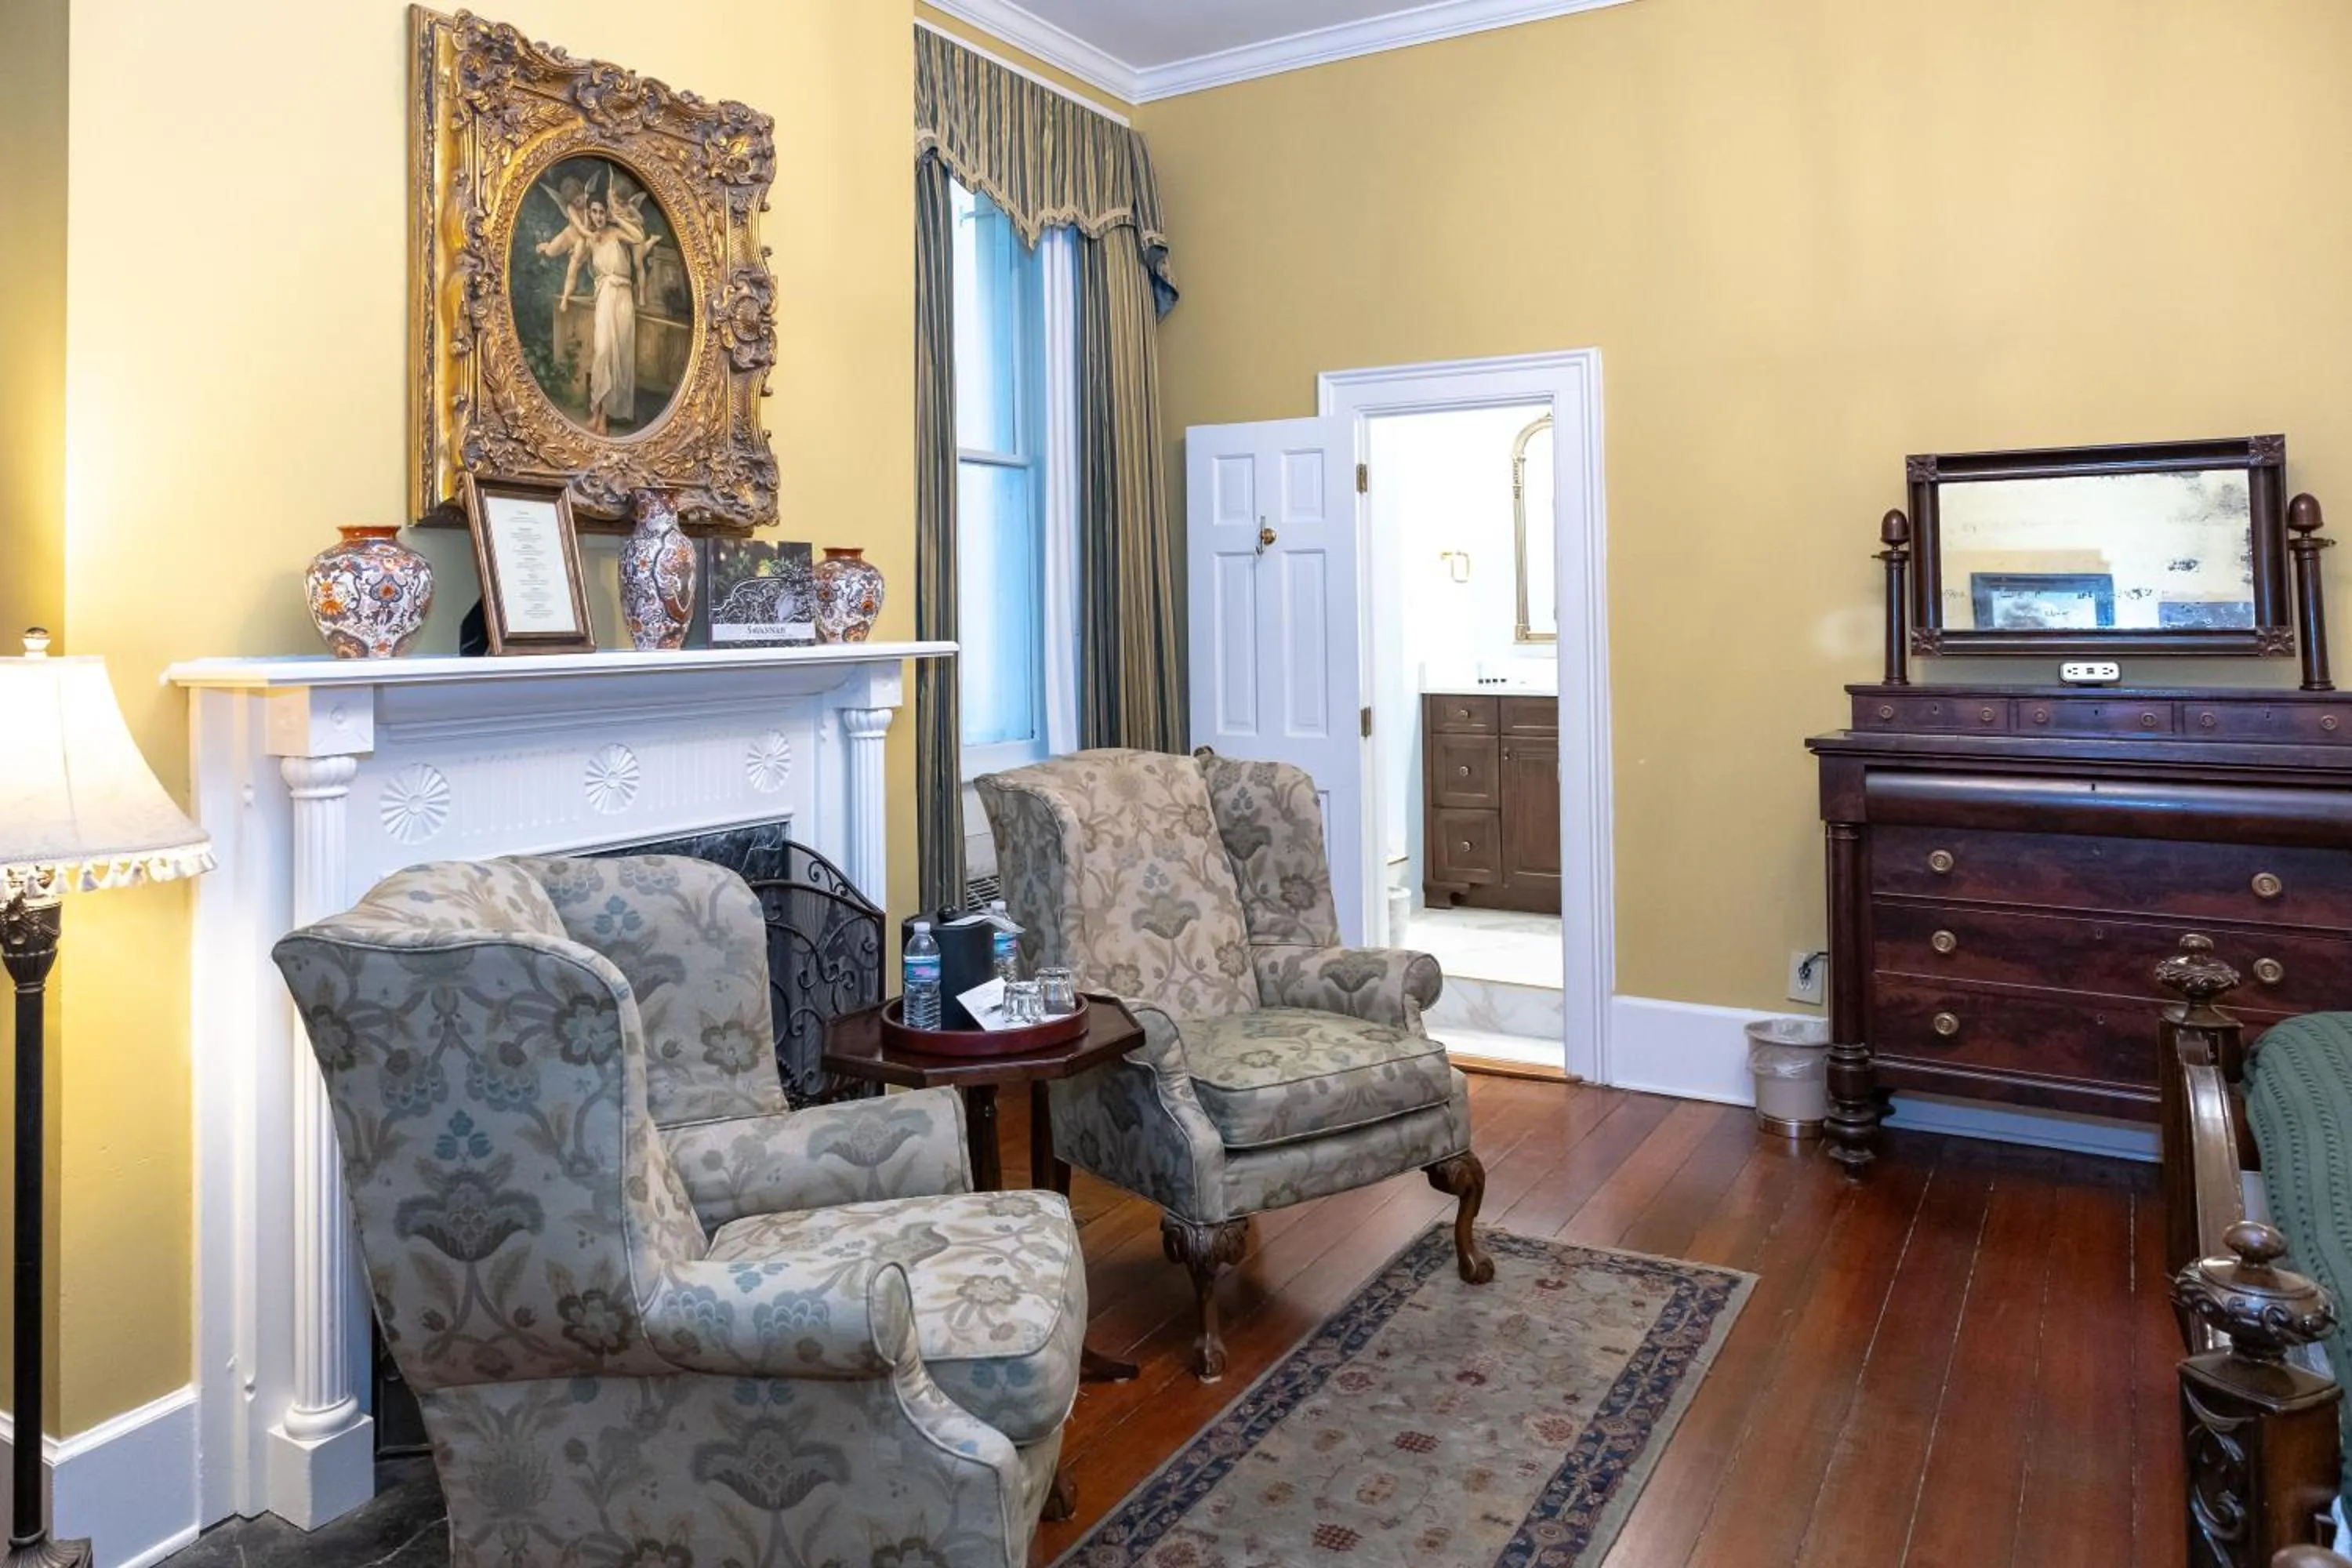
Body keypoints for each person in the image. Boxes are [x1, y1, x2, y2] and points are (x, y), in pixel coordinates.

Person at [542, 170, 665, 435]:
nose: (597, 216)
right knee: (603, 352)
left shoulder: (615, 232)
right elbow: (573, 264)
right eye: (594, 212)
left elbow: (638, 237)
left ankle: (604, 416)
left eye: (601, 212)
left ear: (605, 213)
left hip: (624, 298)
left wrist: (618, 217)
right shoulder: (589, 239)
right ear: (590, 213)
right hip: (605, 294)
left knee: (619, 353)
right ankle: (596, 411)